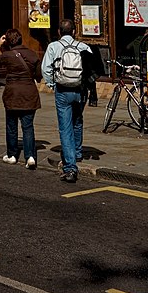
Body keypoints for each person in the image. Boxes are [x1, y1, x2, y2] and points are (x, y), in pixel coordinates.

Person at [42, 18, 92, 183]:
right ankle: (77, 153)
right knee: (77, 120)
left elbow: (46, 69)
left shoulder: (53, 47)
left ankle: (70, 167)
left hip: (62, 90)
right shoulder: (83, 47)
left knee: (65, 128)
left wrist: (52, 84)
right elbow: (92, 67)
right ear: (74, 32)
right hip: (79, 90)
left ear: (58, 32)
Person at [0, 28, 42, 169]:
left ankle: (12, 155)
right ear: (21, 40)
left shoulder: (7, 55)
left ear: (8, 41)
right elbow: (39, 76)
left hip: (12, 94)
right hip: (29, 94)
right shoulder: (32, 55)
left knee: (11, 125)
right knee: (28, 127)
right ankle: (30, 156)